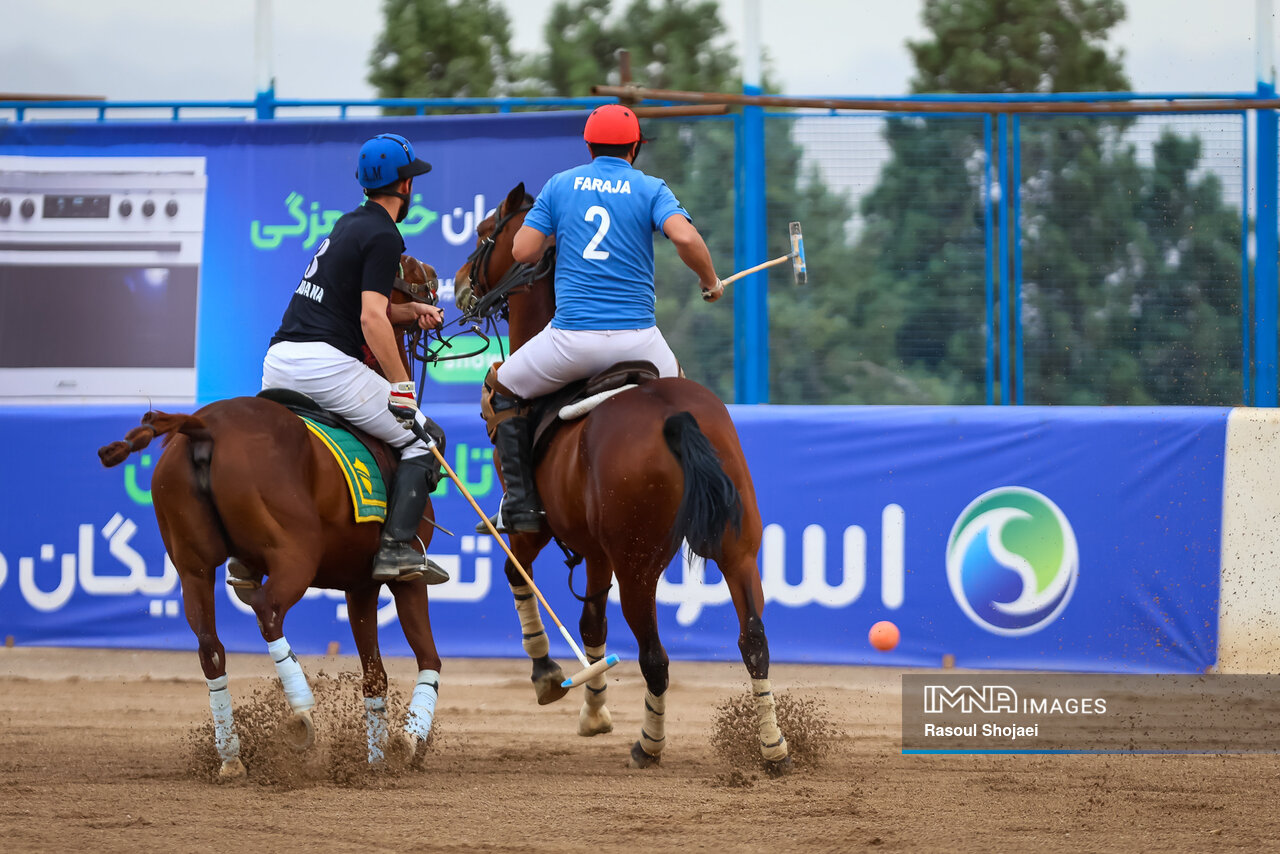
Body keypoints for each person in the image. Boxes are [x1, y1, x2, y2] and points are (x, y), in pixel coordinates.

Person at [480, 104, 725, 534]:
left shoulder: (560, 185)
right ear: (634, 148)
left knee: (502, 389)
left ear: (590, 147)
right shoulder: (651, 187)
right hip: (640, 342)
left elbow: (522, 251)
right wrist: (710, 281)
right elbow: (685, 237)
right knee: (684, 399)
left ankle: (520, 506)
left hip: (572, 342)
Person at [261, 132, 449, 584]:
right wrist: (402, 388)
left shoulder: (348, 223)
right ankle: (395, 549)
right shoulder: (385, 235)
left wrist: (410, 310)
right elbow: (370, 319)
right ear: (405, 185)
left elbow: (367, 307)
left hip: (278, 362)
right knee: (426, 439)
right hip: (323, 367)